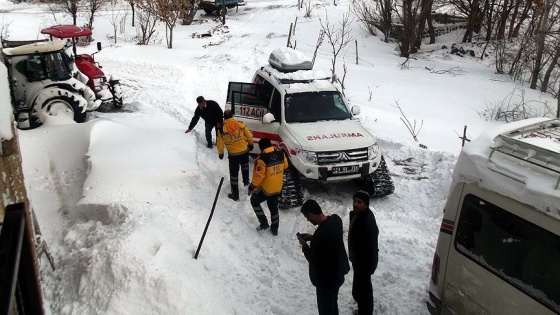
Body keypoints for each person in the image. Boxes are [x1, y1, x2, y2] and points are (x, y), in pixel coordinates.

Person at [298, 199, 350, 315]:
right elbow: (329, 239)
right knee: (332, 304)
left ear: (311, 214)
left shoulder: (320, 237)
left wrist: (304, 245)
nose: (308, 220)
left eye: (307, 217)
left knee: (325, 309)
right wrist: (313, 237)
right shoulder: (336, 220)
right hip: (338, 274)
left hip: (326, 282)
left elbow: (313, 259)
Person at [248, 137, 288, 236]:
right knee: (273, 207)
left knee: (254, 201)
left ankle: (264, 223)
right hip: (277, 187)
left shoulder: (261, 159)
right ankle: (275, 229)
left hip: (266, 189)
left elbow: (259, 176)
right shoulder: (281, 154)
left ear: (261, 148)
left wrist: (252, 186)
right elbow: (286, 166)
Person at [348, 190, 379, 315]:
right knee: (363, 289)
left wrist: (366, 266)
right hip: (359, 262)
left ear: (366, 204)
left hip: (364, 264)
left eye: (359, 202)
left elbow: (370, 248)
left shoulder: (367, 222)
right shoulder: (359, 215)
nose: (355, 204)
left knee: (361, 292)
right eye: (354, 201)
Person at [217, 109, 254, 201]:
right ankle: (246, 182)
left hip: (233, 155)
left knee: (234, 175)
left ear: (224, 118)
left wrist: (221, 153)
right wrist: (251, 144)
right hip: (244, 151)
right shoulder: (240, 124)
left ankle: (235, 195)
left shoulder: (221, 129)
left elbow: (220, 142)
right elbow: (249, 135)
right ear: (232, 116)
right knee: (245, 166)